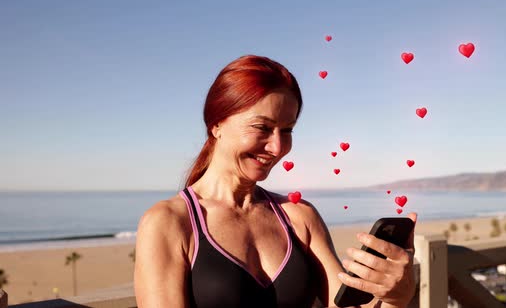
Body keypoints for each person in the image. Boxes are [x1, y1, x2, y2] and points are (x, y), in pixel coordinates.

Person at [134, 55, 418, 308]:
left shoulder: (300, 217)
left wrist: (396, 297)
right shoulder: (168, 222)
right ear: (217, 125)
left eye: (287, 130)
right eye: (262, 127)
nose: (278, 147)